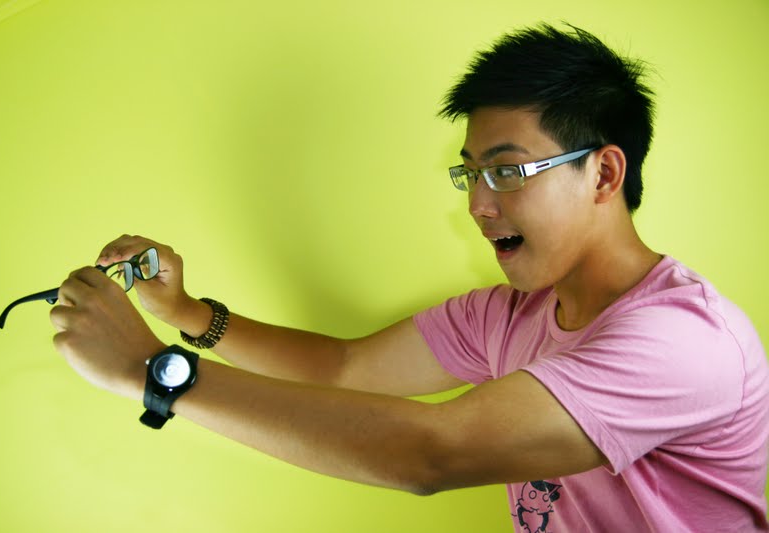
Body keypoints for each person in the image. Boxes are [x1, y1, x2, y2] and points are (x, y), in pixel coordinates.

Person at [49, 23, 769, 531]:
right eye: (471, 173)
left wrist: (152, 372)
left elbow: (431, 452)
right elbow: (343, 367)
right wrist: (183, 310)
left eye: (507, 171)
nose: (478, 204)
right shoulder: (508, 315)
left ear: (604, 173)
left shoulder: (686, 341)